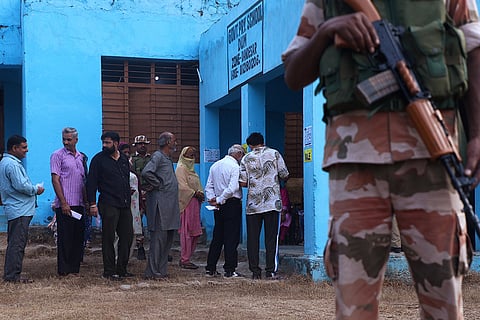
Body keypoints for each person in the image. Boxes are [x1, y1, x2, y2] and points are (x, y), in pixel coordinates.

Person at [282, 1, 480, 319]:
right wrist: (327, 32)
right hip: (355, 164)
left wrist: (477, 135)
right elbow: (293, 73)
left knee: (444, 298)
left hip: (431, 155)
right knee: (353, 305)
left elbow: (474, 48)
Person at [239, 132, 289, 280]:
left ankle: (255, 271)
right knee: (271, 238)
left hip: (253, 204)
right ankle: (270, 270)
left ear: (250, 145)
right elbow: (284, 174)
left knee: (253, 239)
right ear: (263, 142)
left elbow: (242, 182)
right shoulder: (274, 153)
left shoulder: (246, 158)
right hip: (272, 202)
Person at [86, 131, 133, 281]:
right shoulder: (98, 160)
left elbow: (126, 180)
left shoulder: (124, 160)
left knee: (127, 236)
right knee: (108, 237)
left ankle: (122, 269)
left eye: (108, 143)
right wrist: (92, 204)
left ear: (116, 143)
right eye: (104, 143)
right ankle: (109, 270)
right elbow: (91, 183)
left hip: (124, 204)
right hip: (108, 203)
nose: (105, 146)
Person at [0, 135, 45, 283]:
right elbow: (21, 186)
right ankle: (12, 276)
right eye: (24, 147)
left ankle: (12, 274)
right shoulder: (12, 164)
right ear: (14, 148)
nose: (27, 150)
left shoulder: (7, 162)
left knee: (16, 242)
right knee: (17, 244)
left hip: (17, 208)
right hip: (19, 209)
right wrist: (36, 189)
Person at [142, 131, 180, 280]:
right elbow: (146, 172)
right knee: (158, 239)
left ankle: (161, 270)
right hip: (160, 205)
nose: (175, 143)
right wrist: (158, 184)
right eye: (174, 140)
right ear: (168, 142)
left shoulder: (167, 158)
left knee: (168, 238)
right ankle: (152, 271)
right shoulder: (158, 156)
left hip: (169, 204)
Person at [50, 127, 88, 276]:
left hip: (78, 203)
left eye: (69, 139)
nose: (66, 142)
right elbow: (55, 179)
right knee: (65, 238)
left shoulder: (80, 157)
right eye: (64, 139)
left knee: (78, 237)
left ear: (76, 140)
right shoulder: (57, 155)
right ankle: (64, 270)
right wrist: (63, 202)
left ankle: (74, 268)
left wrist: (86, 201)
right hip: (66, 203)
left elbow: (83, 181)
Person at [204, 144, 245, 278]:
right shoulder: (235, 167)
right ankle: (230, 269)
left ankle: (210, 267)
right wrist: (221, 199)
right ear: (238, 154)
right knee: (231, 237)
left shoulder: (215, 165)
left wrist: (212, 198)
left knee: (218, 236)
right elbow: (233, 187)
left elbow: (209, 186)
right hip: (231, 203)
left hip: (218, 206)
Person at [175, 146, 204, 270]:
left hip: (195, 204)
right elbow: (181, 187)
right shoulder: (181, 169)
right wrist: (195, 193)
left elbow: (199, 186)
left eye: (193, 156)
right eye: (189, 155)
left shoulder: (193, 171)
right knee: (186, 232)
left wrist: (201, 193)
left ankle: (188, 257)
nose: (191, 158)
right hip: (186, 203)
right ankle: (184, 258)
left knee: (195, 233)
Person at [118, 142, 145, 259]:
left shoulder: (131, 169)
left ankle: (126, 260)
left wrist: (141, 204)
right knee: (118, 235)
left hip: (134, 207)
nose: (127, 155)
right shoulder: (115, 169)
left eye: (128, 153)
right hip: (119, 206)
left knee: (132, 233)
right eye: (124, 153)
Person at [131, 134, 151, 260]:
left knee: (154, 221)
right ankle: (140, 248)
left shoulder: (152, 159)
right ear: (136, 146)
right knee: (137, 222)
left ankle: (157, 248)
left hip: (151, 193)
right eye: (140, 144)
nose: (142, 146)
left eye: (144, 144)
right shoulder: (131, 160)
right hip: (137, 194)